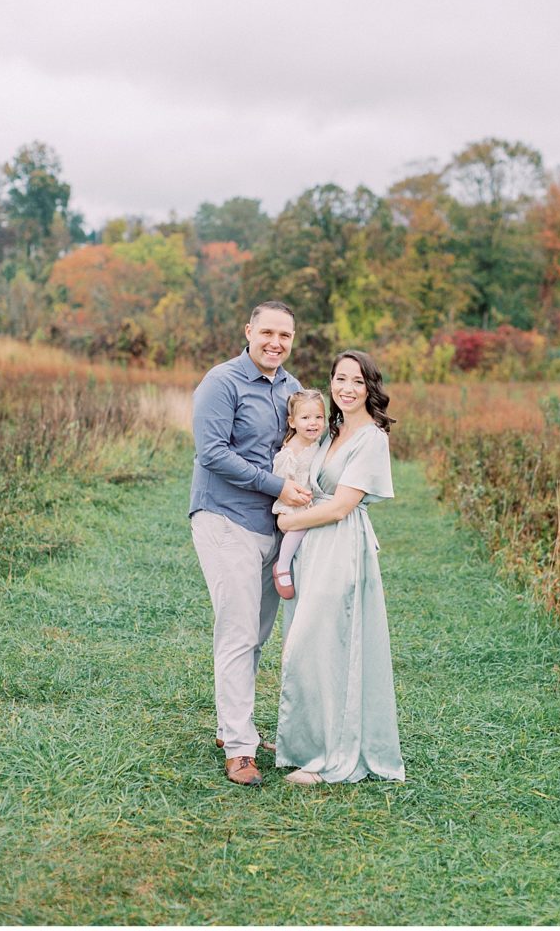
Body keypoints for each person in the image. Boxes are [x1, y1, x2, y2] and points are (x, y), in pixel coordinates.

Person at [189, 301, 311, 787]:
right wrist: (278, 487)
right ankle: (240, 748)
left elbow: (302, 443)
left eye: (285, 335)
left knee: (256, 635)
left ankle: (230, 725)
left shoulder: (293, 388)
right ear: (248, 332)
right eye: (267, 333)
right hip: (225, 519)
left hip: (272, 528)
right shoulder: (222, 382)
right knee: (238, 633)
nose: (275, 343)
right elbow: (212, 453)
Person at [275, 349, 405, 785]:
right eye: (340, 379)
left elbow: (341, 507)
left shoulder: (371, 437)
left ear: (370, 388)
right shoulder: (331, 431)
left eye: (357, 381)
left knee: (328, 644)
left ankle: (333, 755)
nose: (347, 389)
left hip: (340, 545)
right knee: (307, 646)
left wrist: (289, 520)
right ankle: (306, 742)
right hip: (314, 549)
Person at [271, 389, 326, 600]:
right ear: (292, 422)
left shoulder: (316, 441)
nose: (313, 423)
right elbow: (282, 482)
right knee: (299, 526)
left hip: (310, 499)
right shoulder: (290, 453)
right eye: (305, 418)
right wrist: (297, 496)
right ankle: (282, 565)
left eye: (318, 417)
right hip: (294, 502)